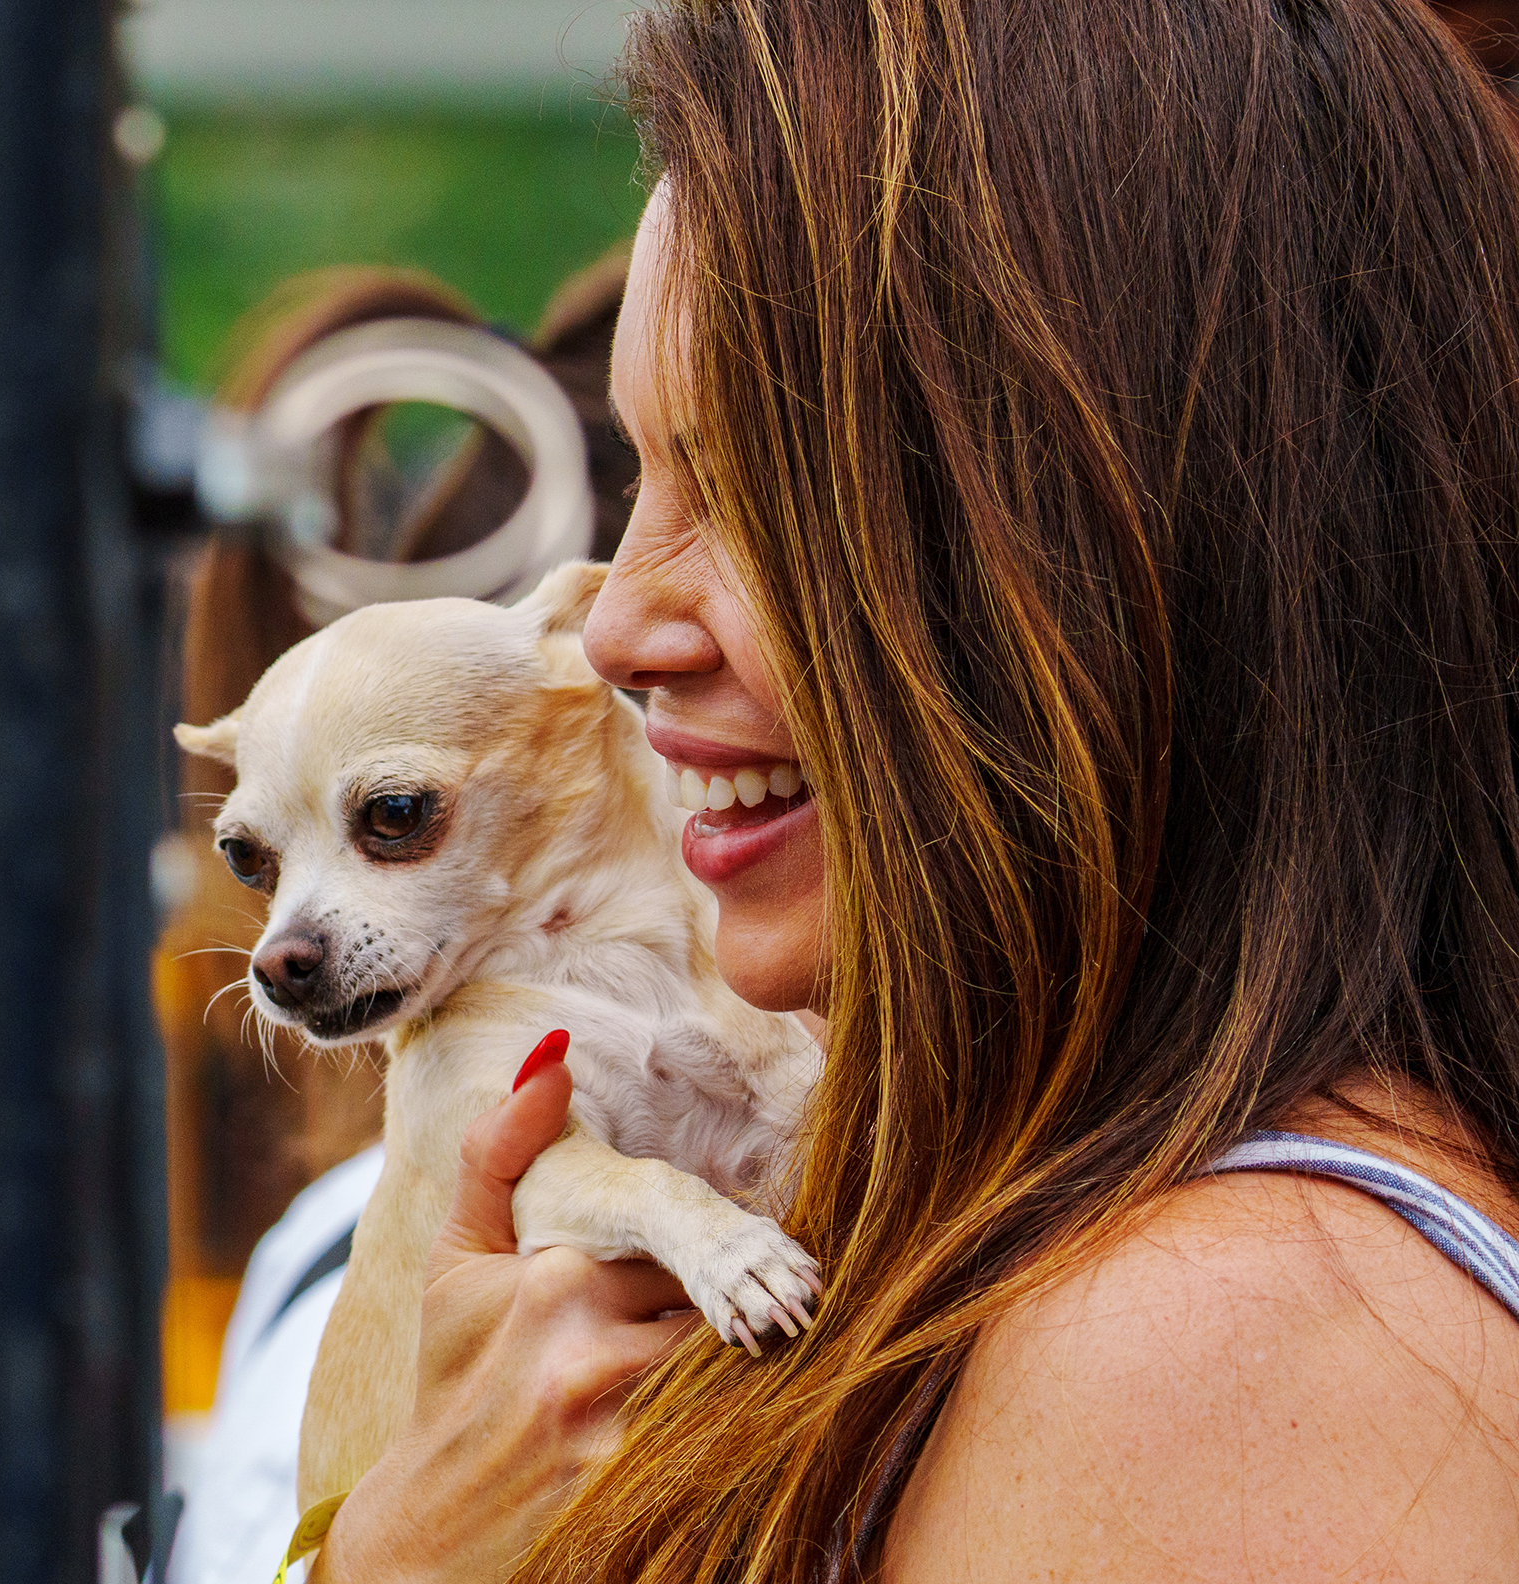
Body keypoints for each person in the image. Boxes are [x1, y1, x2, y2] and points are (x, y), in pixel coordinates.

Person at [316, 1, 1519, 1578]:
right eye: (646, 474)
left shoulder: (1224, 1337)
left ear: (1119, 548)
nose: (614, 622)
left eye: (751, 489)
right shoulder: (1099, 1224)